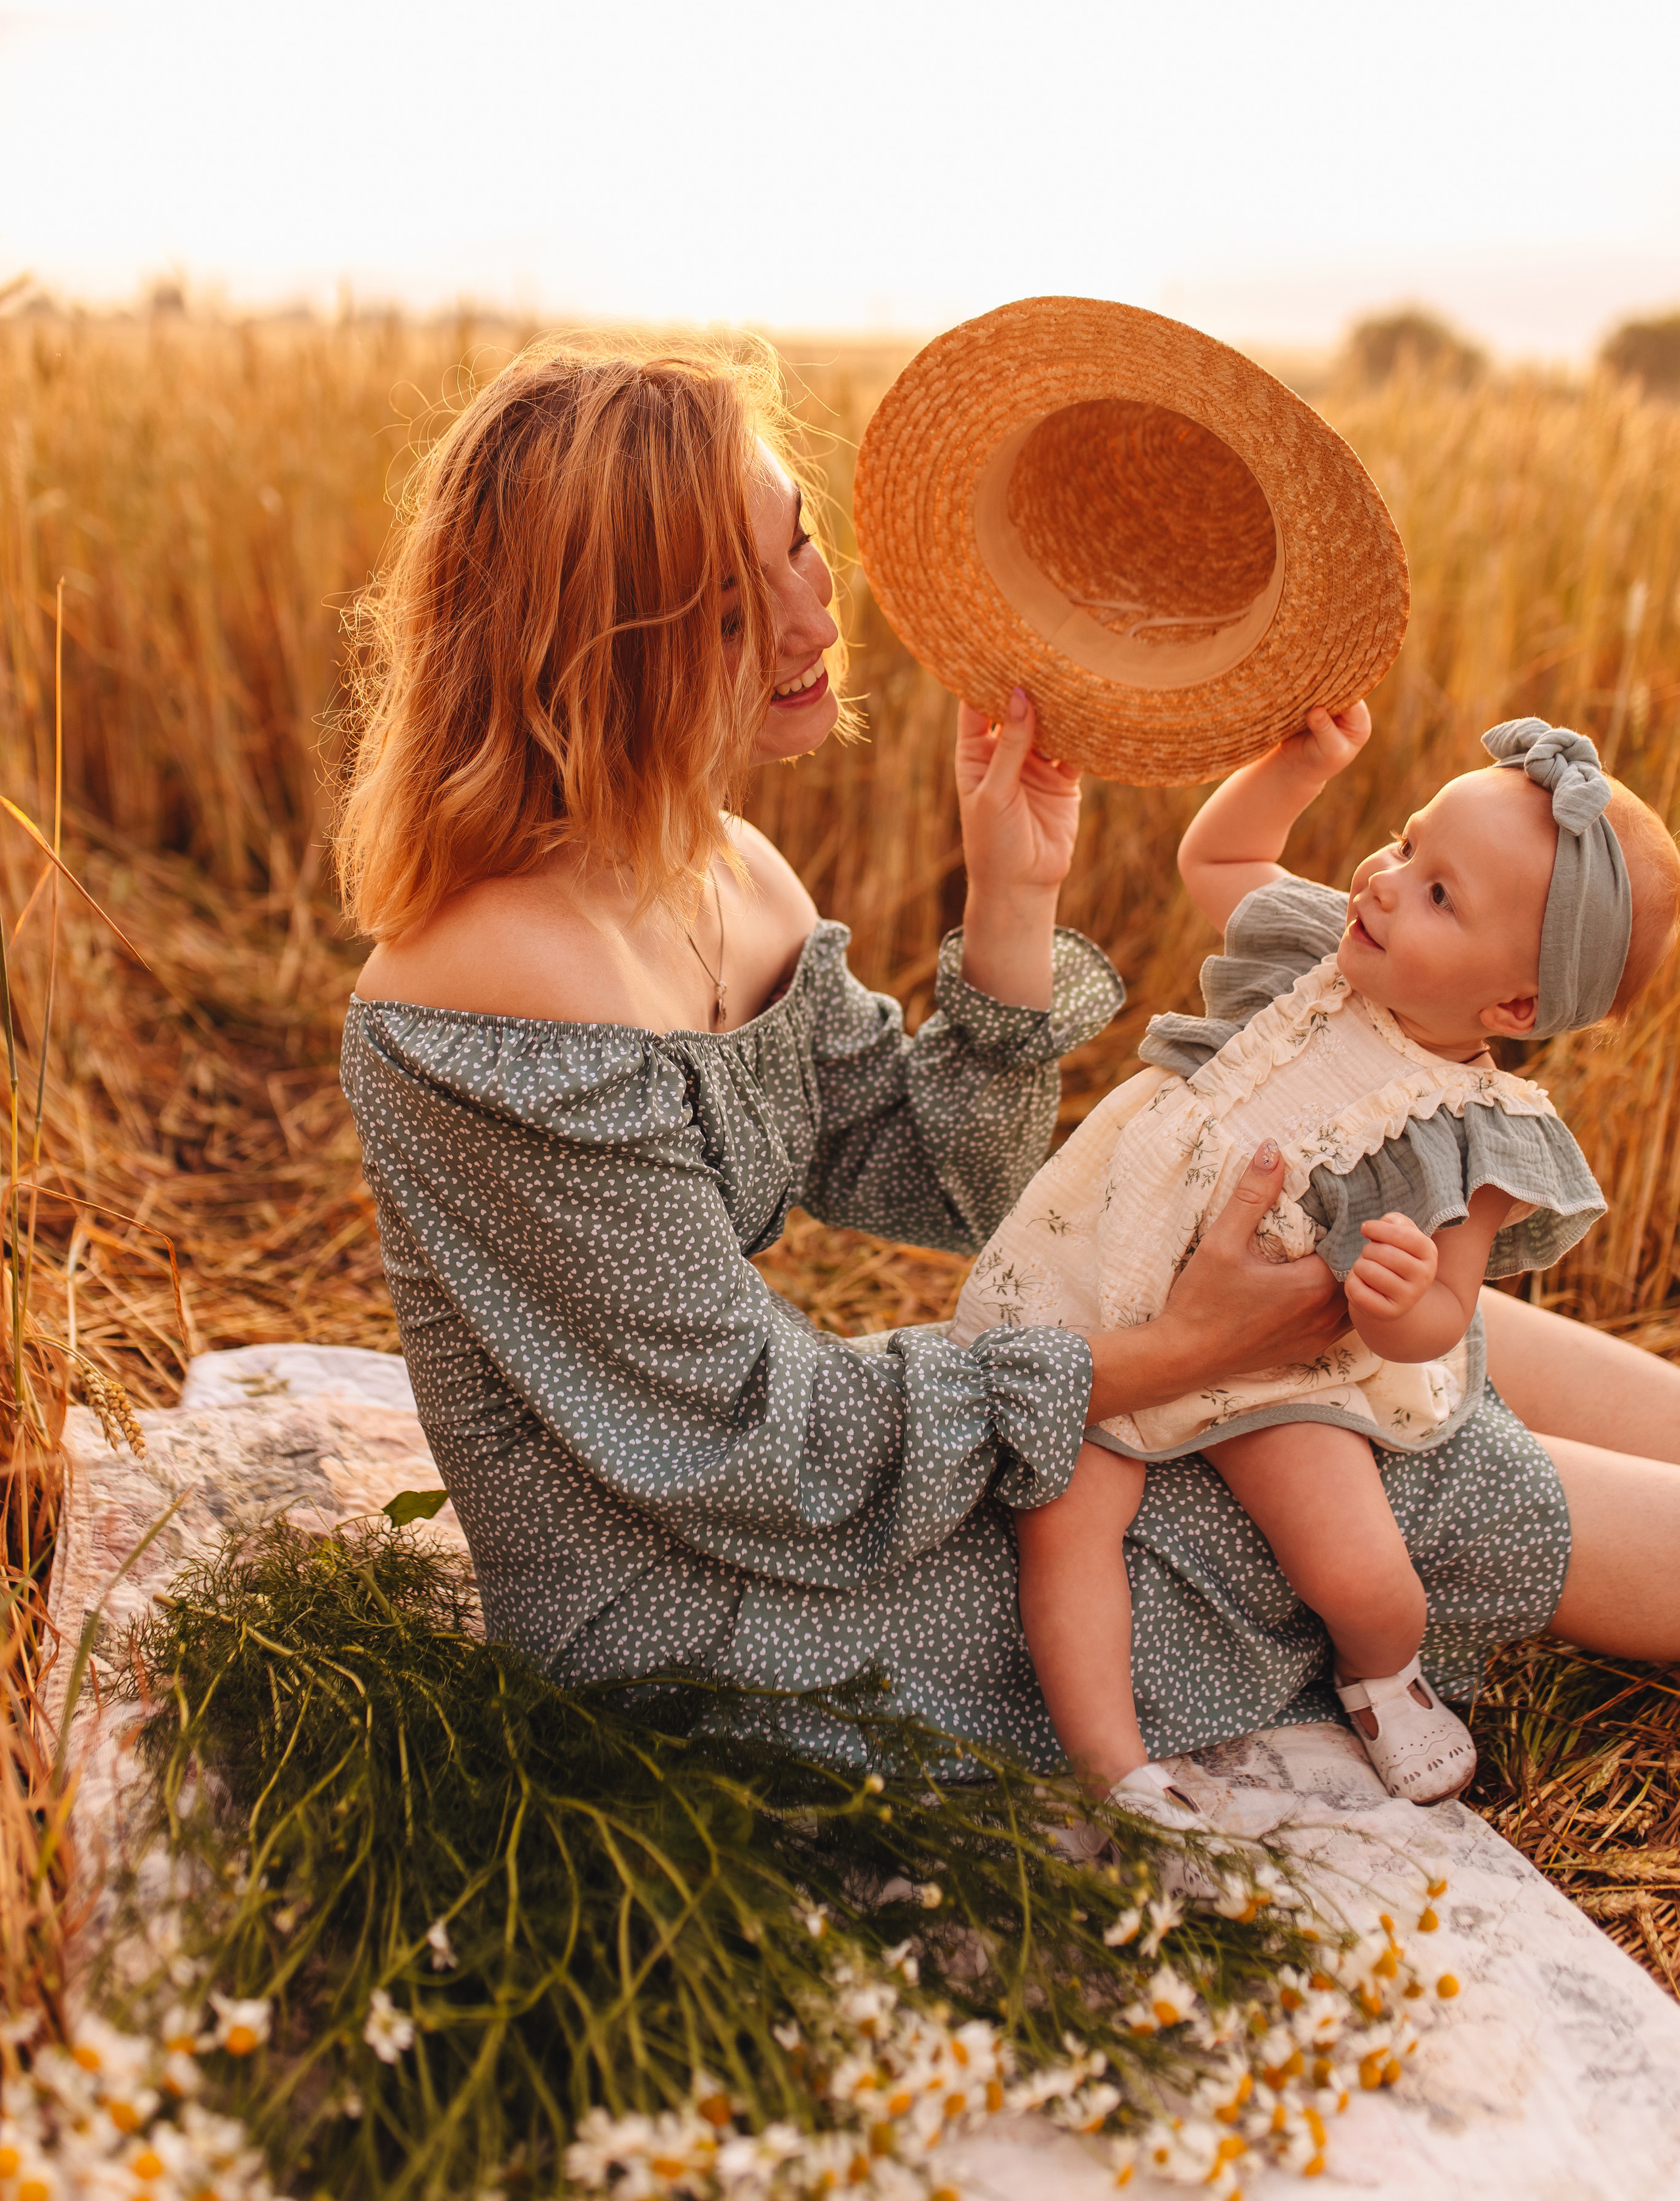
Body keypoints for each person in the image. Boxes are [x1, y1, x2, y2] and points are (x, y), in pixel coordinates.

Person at [335, 335, 1680, 1778]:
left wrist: (1013, 900)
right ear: (600, 649)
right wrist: (1180, 1351)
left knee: (1390, 1321)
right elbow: (758, 1449)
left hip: (777, 1493)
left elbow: (938, 1179)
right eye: (736, 607)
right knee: (1395, 1472)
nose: (815, 614)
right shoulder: (498, 996)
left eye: (800, 546)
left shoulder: (718, 865)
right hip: (710, 1605)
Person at [957, 704, 1679, 1813]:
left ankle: (1382, 1676)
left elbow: (1446, 1307)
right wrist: (1293, 765)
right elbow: (1221, 853)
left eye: (1440, 894)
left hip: (1276, 1361)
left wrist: (1399, 1306)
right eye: (1403, 843)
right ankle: (1114, 1764)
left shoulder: (1472, 1128)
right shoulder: (1306, 957)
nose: (1383, 881)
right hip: (1101, 1283)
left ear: (1515, 1004)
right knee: (1066, 1518)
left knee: (1360, 1570)